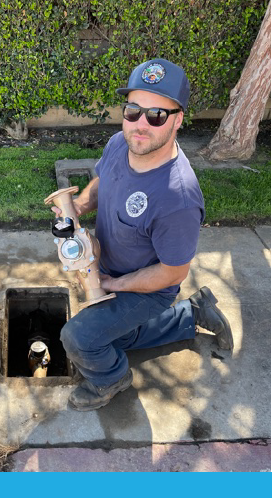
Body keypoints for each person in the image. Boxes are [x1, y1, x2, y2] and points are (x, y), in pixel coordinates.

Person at [51, 58, 233, 412]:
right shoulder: (121, 143)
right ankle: (193, 314)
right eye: (133, 110)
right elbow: (103, 182)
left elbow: (172, 273)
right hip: (112, 265)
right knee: (119, 332)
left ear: (178, 119)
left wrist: (112, 286)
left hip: (148, 289)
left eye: (156, 115)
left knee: (79, 338)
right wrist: (77, 207)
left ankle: (112, 378)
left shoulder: (177, 198)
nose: (140, 125)